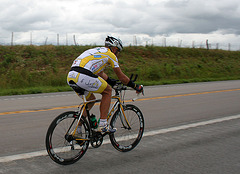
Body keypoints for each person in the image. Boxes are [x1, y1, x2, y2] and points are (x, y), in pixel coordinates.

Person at [67, 36, 143, 133]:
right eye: (118, 51)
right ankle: (103, 125)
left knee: (90, 101)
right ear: (114, 48)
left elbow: (100, 74)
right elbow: (122, 77)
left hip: (71, 76)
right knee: (107, 91)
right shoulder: (110, 55)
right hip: (83, 75)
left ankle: (77, 131)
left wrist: (111, 81)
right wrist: (135, 86)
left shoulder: (96, 51)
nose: (118, 53)